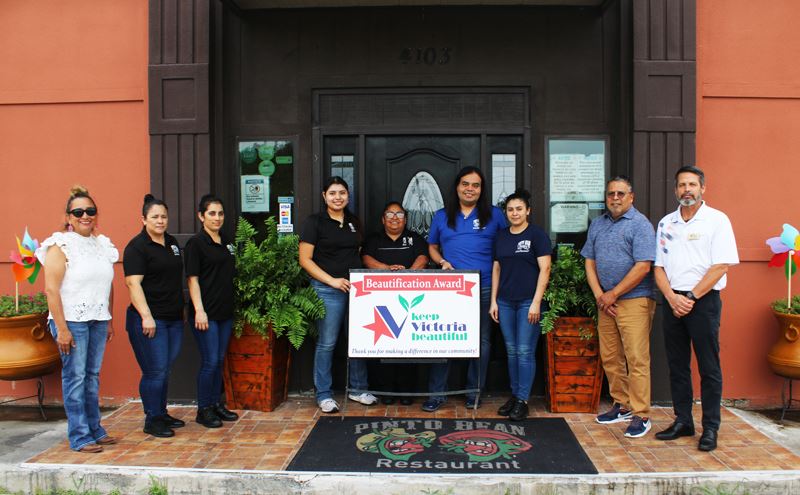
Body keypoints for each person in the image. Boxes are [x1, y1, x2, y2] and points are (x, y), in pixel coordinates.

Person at [653, 165, 739, 452]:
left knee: (708, 367)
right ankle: (683, 420)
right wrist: (672, 297)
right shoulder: (667, 223)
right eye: (682, 185)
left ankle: (711, 427)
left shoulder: (717, 220)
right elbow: (659, 268)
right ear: (676, 189)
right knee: (677, 365)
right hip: (672, 302)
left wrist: (689, 297)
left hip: (703, 302)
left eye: (692, 184)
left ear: (703, 188)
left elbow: (721, 265)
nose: (686, 189)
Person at [36, 185, 118, 453]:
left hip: (97, 318)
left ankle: (95, 428)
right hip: (71, 321)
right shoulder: (59, 245)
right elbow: (51, 289)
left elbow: (109, 284)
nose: (85, 215)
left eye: (90, 211)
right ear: (69, 217)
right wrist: (61, 328)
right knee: (75, 377)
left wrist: (109, 318)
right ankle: (80, 435)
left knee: (92, 376)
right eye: (79, 211)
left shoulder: (102, 244)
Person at [423, 166, 506, 412]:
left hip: (484, 287)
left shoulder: (495, 215)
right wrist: (442, 262)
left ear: (482, 189)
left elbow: (507, 245)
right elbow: (432, 247)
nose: (470, 189)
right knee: (442, 340)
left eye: (476, 185)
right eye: (465, 184)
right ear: (457, 187)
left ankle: (474, 392)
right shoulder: (441, 215)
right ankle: (437, 394)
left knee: (481, 341)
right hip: (450, 289)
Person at [581, 176, 657, 438]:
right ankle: (621, 404)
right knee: (611, 356)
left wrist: (613, 293)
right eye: (611, 193)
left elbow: (643, 266)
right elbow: (589, 261)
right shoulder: (598, 224)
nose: (615, 197)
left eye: (621, 193)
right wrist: (601, 295)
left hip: (634, 300)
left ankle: (641, 414)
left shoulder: (640, 225)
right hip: (606, 302)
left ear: (631, 197)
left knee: (636, 358)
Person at [299, 176, 377, 413]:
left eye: (342, 193)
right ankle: (324, 394)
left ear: (348, 196)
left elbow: (358, 252)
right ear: (324, 196)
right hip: (327, 290)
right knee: (327, 343)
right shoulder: (315, 222)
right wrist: (332, 280)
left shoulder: (353, 222)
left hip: (356, 291)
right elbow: (304, 259)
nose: (338, 197)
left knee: (358, 342)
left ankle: (358, 389)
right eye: (332, 193)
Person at [123, 194, 185, 438]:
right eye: (155, 217)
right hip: (149, 320)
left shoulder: (170, 243)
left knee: (165, 369)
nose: (160, 221)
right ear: (143, 219)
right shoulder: (137, 247)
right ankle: (152, 418)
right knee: (154, 371)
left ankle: (161, 411)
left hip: (173, 318)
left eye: (163, 217)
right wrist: (146, 316)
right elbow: (132, 284)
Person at [489, 189, 551, 421]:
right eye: (510, 209)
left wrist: (536, 303)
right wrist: (493, 300)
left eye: (519, 209)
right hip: (505, 301)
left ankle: (523, 400)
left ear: (528, 211)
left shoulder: (537, 235)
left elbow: (545, 269)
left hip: (528, 302)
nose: (514, 213)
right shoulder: (501, 236)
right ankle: (515, 396)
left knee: (525, 351)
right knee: (512, 351)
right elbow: (497, 268)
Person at [362, 201, 429, 405]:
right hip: (380, 301)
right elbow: (365, 258)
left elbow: (423, 257)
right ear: (383, 219)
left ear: (405, 219)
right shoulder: (374, 239)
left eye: (399, 214)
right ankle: (386, 391)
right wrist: (386, 268)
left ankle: (407, 392)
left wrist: (408, 273)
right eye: (390, 214)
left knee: (407, 345)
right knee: (384, 345)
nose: (394, 218)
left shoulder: (414, 238)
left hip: (409, 301)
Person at [184, 194, 239, 428]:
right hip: (206, 313)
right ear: (201, 216)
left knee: (219, 360)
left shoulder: (226, 241)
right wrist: (199, 310)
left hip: (225, 312)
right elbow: (192, 280)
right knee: (210, 362)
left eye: (220, 213)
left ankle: (217, 404)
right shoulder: (196, 244)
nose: (217, 218)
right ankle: (204, 409)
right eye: (212, 213)